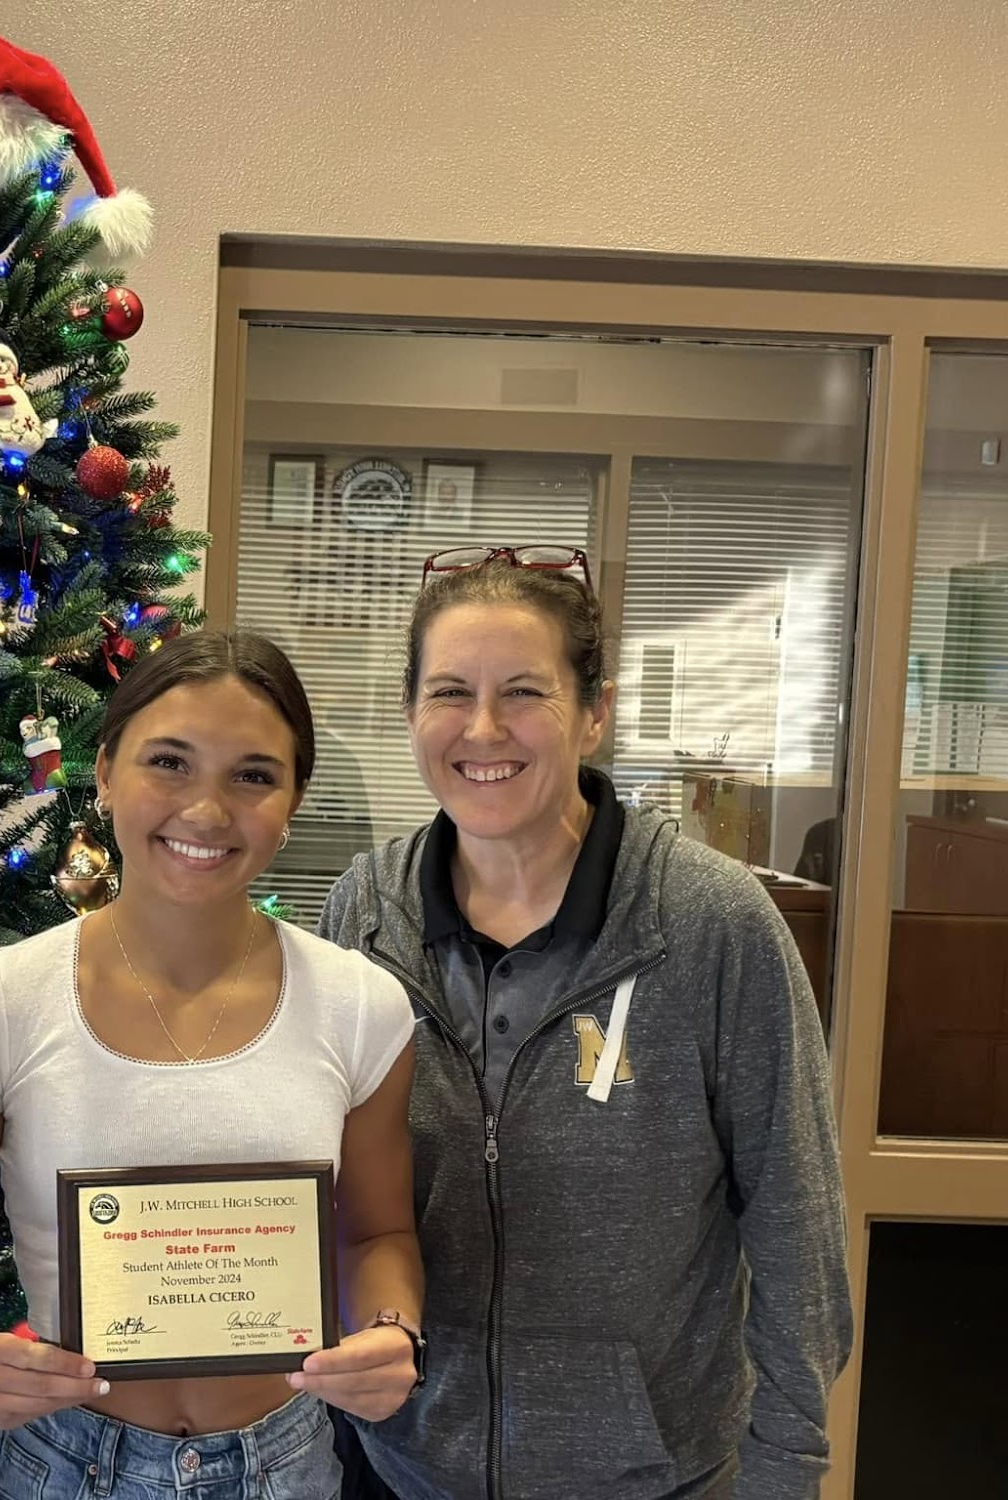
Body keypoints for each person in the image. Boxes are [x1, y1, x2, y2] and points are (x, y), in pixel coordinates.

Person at [321, 547, 852, 1500]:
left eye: (524, 692)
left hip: (651, 1474)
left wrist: (785, 1472)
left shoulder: (708, 922)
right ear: (410, 711)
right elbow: (325, 1188)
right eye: (449, 692)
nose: (483, 728)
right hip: (402, 1466)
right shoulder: (366, 912)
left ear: (595, 711)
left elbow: (796, 1226)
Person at [0, 630, 424, 1500]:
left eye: (254, 775)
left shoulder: (360, 1006)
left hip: (285, 1465)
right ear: (105, 772)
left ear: (293, 799)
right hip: (64, 1464)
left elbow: (376, 1233)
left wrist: (393, 1330)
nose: (206, 810)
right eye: (169, 762)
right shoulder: (2, 1000)